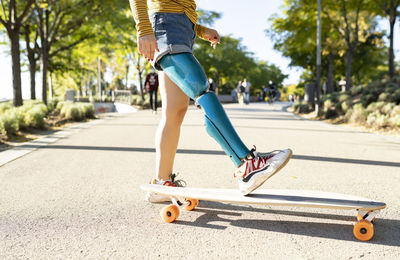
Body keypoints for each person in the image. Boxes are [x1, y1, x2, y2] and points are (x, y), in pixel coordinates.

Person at [129, 0, 292, 201]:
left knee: (175, 110)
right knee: (200, 88)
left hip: (180, 29)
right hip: (165, 26)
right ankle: (246, 164)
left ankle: (161, 182)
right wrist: (144, 28)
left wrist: (199, 29)